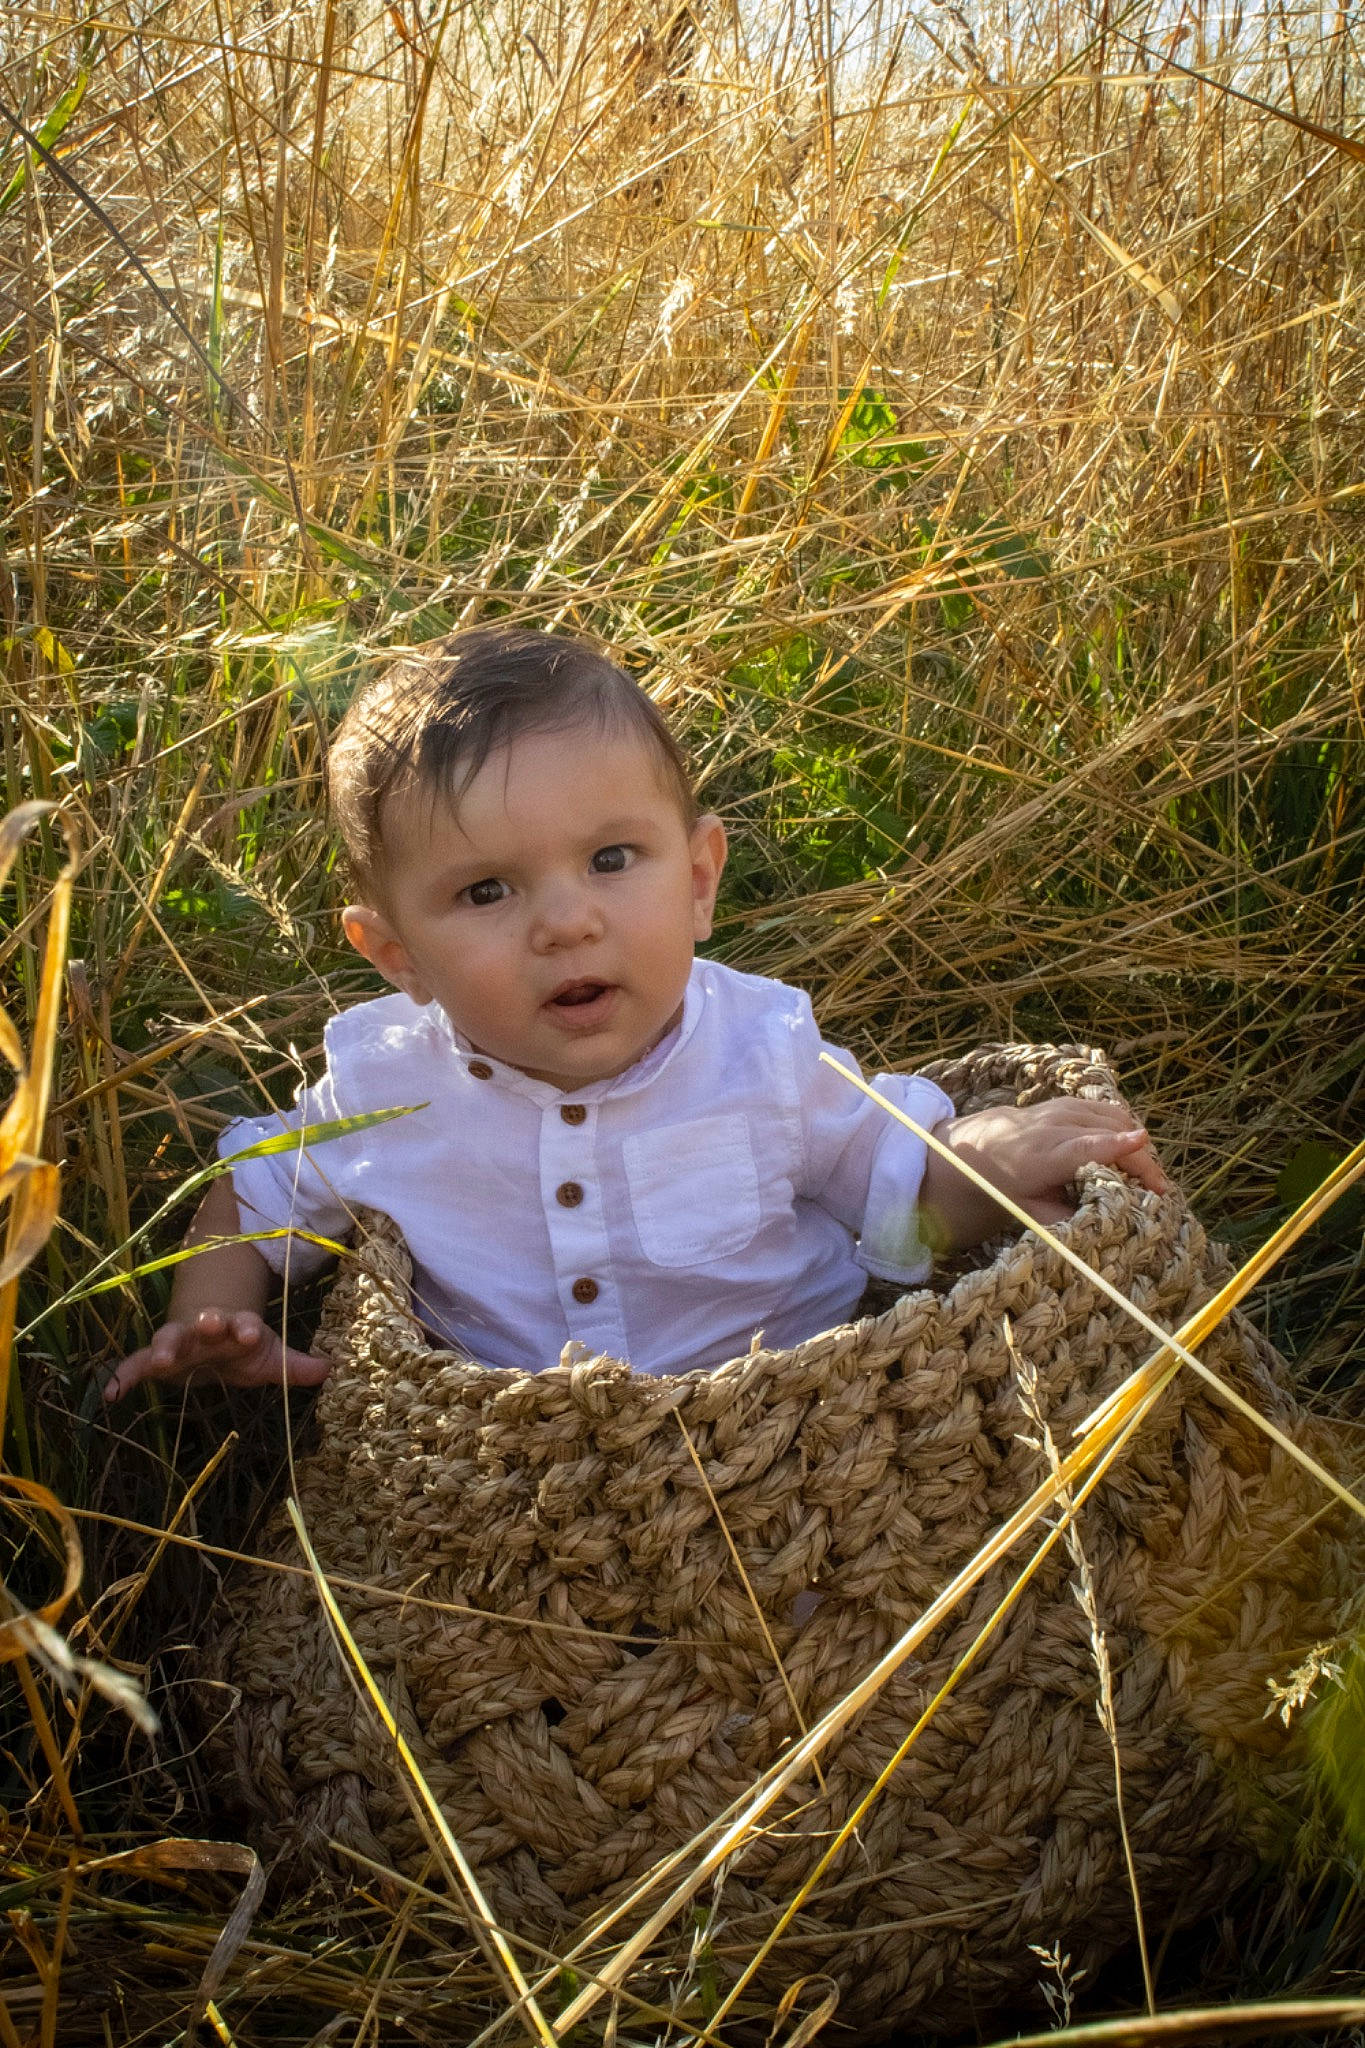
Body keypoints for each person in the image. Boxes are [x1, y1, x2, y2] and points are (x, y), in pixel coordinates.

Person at [106, 627, 1168, 1401]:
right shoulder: (386, 1091)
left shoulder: (761, 1050)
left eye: (613, 860)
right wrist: (210, 1316)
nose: (567, 922)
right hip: (524, 1473)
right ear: (398, 955)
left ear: (700, 877)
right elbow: (248, 1192)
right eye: (486, 891)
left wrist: (992, 1158)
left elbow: (902, 1188)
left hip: (794, 1422)